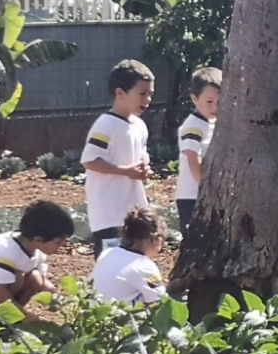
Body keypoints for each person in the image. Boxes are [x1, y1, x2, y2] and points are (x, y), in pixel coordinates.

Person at [81, 59, 154, 258]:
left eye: (150, 94)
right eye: (142, 94)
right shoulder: (105, 125)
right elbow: (90, 160)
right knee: (110, 263)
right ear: (120, 93)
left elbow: (140, 159)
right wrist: (125, 172)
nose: (147, 100)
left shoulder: (140, 125)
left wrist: (143, 170)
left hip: (134, 212)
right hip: (108, 213)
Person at [0, 200, 74, 322]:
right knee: (17, 277)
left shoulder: (35, 249)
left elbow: (43, 283)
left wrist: (62, 301)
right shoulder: (6, 251)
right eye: (58, 243)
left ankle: (8, 318)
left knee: (35, 277)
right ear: (39, 240)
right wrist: (28, 317)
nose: (61, 247)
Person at [176, 67, 221, 233]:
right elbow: (193, 160)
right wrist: (206, 188)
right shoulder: (193, 127)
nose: (215, 107)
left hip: (207, 195)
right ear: (195, 99)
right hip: (192, 196)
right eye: (209, 101)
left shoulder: (213, 123)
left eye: (219, 101)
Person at [92, 206, 168, 305]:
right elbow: (162, 302)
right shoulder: (144, 266)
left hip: (94, 313)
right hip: (118, 317)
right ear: (156, 238)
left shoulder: (107, 253)